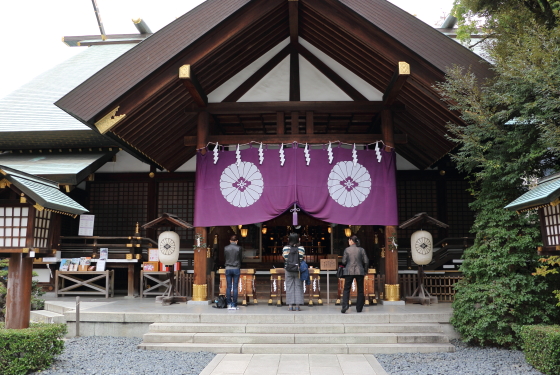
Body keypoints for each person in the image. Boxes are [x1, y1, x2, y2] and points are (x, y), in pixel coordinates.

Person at [341, 235, 369, 314]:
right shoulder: (361, 250)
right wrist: (365, 270)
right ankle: (359, 308)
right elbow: (366, 261)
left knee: (346, 289)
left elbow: (343, 261)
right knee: (360, 290)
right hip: (359, 271)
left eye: (348, 240)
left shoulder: (347, 250)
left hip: (349, 271)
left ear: (351, 241)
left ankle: (345, 305)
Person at [282, 233, 305, 311]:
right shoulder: (301, 248)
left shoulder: (285, 248)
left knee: (289, 286)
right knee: (298, 286)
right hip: (298, 270)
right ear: (298, 239)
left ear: (289, 239)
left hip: (288, 270)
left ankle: (290, 306)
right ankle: (297, 306)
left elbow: (285, 258)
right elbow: (301, 258)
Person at [224, 234, 243, 310]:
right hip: (236, 268)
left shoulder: (226, 248)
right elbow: (240, 258)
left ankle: (229, 303)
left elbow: (225, 257)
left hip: (228, 268)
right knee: (235, 287)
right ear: (237, 241)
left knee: (228, 286)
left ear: (230, 241)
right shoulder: (239, 248)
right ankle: (234, 304)